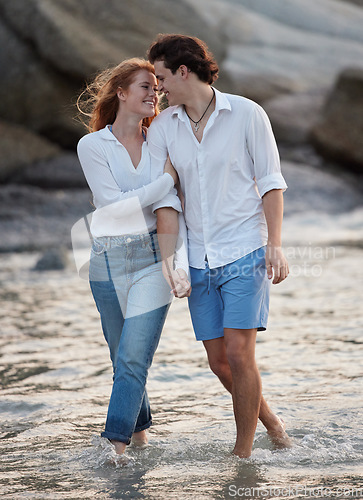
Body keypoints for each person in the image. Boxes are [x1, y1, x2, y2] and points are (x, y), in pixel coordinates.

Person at [147, 35, 291, 458]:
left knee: (239, 351)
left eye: (161, 77)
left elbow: (271, 183)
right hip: (199, 257)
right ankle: (274, 425)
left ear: (183, 71)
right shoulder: (163, 127)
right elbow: (167, 199)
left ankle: (242, 454)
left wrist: (276, 245)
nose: (158, 88)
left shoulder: (247, 114)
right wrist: (170, 261)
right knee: (218, 362)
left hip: (245, 247)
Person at [76, 58, 190, 459]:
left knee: (132, 356)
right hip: (105, 261)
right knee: (120, 357)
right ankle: (141, 436)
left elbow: (172, 206)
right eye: (145, 86)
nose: (154, 92)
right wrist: (166, 180)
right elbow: (112, 206)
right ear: (121, 93)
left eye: (156, 87)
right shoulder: (92, 146)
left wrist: (176, 263)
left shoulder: (160, 141)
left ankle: (116, 447)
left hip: (151, 258)